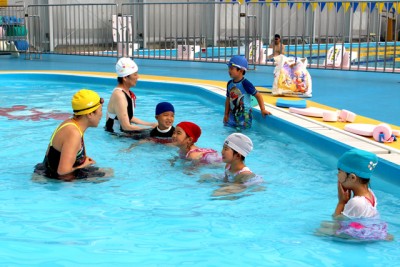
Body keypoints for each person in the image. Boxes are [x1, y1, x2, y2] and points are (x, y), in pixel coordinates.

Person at [316, 148, 393, 241]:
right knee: (324, 224)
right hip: (369, 227)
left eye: (339, 172)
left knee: (320, 231)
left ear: (352, 177)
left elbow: (337, 220)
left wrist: (341, 202)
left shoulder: (356, 202)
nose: (337, 175)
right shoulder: (369, 192)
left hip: (360, 234)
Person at [34, 89, 109, 181]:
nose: (101, 114)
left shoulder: (72, 123)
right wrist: (84, 165)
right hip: (53, 178)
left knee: (108, 172)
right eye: (100, 110)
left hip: (47, 171)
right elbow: (63, 172)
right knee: (109, 175)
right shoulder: (73, 133)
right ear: (90, 114)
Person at [105, 57, 157, 137]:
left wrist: (150, 124)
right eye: (135, 74)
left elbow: (129, 117)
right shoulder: (119, 95)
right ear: (125, 78)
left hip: (122, 133)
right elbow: (126, 126)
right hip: (115, 135)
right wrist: (151, 130)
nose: (138, 77)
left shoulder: (126, 92)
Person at [224, 55, 271, 129]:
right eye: (229, 68)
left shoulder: (245, 83)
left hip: (245, 116)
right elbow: (228, 99)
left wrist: (263, 109)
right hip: (232, 115)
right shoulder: (229, 83)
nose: (229, 71)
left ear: (241, 70)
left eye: (232, 68)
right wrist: (226, 114)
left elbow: (258, 95)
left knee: (242, 134)